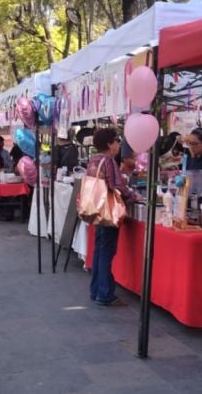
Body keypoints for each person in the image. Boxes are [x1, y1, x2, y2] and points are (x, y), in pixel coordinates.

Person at [87, 128, 141, 307]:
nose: (119, 145)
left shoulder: (94, 159)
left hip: (98, 209)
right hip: (109, 211)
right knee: (106, 252)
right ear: (109, 144)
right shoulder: (108, 160)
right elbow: (116, 185)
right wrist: (133, 196)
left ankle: (96, 290)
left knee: (99, 250)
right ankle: (105, 293)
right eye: (117, 141)